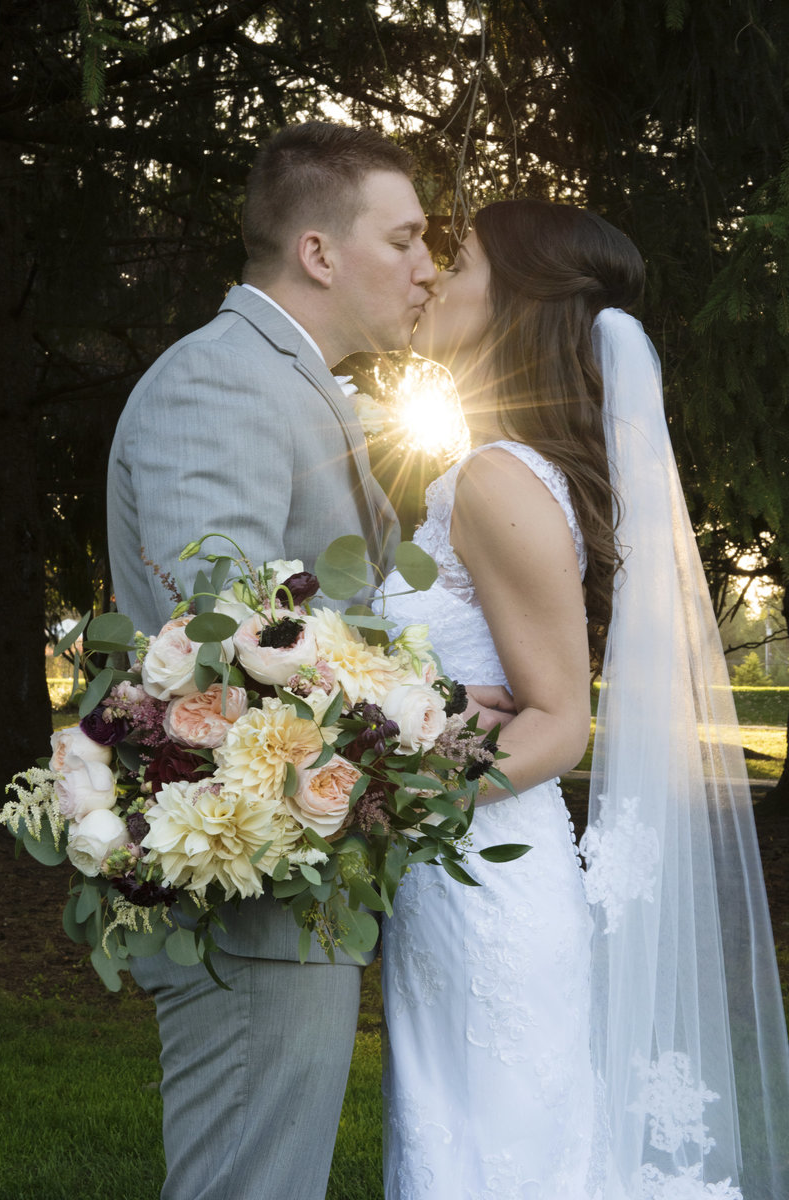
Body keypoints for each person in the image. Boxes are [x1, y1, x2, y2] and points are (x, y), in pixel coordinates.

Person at [379, 199, 789, 1199]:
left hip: (484, 886)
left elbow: (558, 724)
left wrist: (390, 810)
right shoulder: (489, 473)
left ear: (519, 302)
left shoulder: (494, 480)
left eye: (461, 260)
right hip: (462, 886)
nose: (433, 275)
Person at [106, 121, 437, 1200]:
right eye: (406, 239)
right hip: (249, 899)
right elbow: (227, 642)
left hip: (293, 892)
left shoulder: (296, 385)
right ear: (319, 252)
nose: (428, 268)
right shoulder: (225, 382)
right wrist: (416, 702)